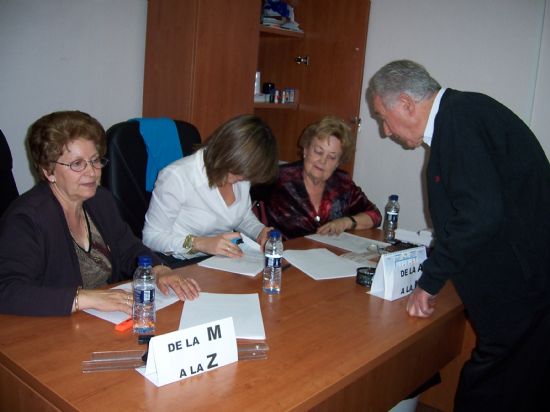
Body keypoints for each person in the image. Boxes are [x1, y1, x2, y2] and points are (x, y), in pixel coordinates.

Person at [368, 59, 550, 411]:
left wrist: (430, 282)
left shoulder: (458, 121)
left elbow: (480, 214)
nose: (385, 131)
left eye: (382, 117)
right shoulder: (464, 112)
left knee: (487, 392)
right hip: (530, 285)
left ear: (406, 103)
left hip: (523, 293)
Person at [0, 111, 200, 317]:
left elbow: (128, 248)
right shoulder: (26, 219)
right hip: (51, 327)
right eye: (77, 164)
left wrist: (159, 270)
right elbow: (7, 291)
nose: (92, 172)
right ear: (48, 171)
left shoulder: (100, 200)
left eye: (95, 160)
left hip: (102, 320)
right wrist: (83, 299)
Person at [143, 114, 278, 260]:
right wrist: (199, 243)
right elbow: (151, 237)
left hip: (221, 260)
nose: (242, 179)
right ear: (226, 151)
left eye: (246, 176)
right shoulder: (177, 176)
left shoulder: (242, 175)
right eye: (238, 172)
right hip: (180, 261)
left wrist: (260, 231)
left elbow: (242, 216)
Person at [264, 116, 381, 239]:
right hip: (282, 254)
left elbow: (375, 216)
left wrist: (346, 222)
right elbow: (243, 203)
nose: (323, 161)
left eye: (332, 157)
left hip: (328, 254)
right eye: (318, 152)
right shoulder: (279, 177)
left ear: (338, 162)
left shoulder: (342, 183)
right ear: (306, 150)